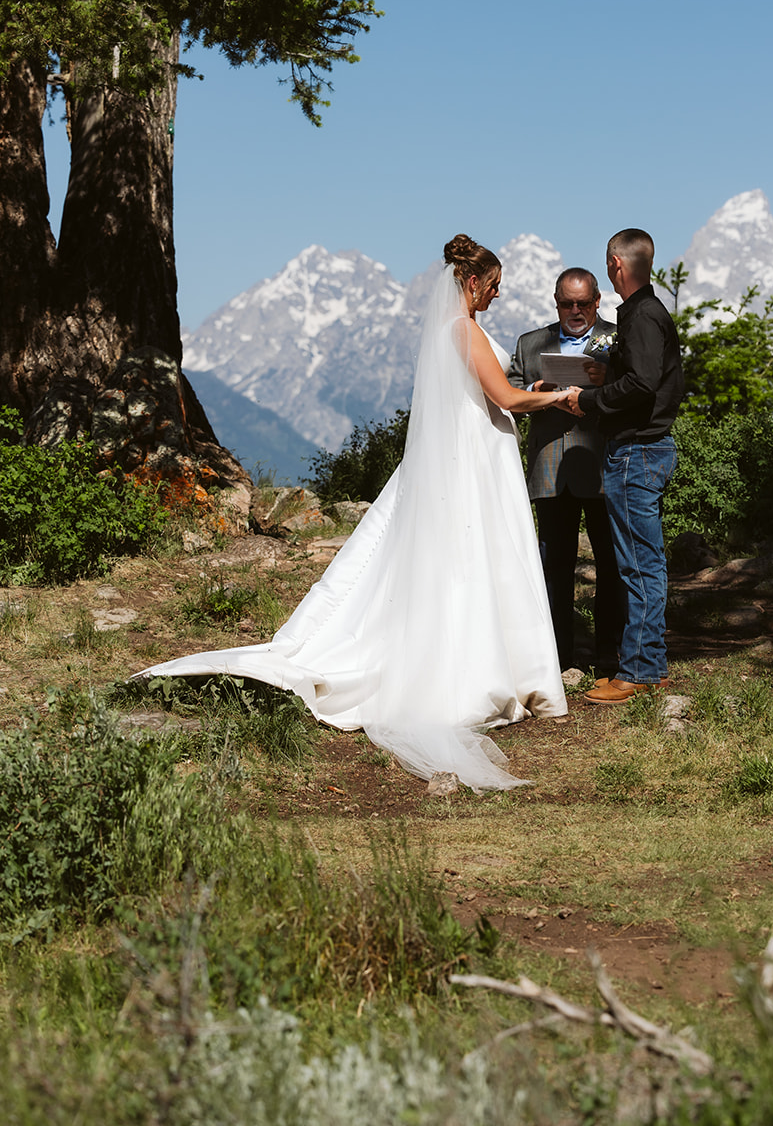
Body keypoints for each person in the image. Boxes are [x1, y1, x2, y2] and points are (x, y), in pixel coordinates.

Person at [136, 235, 573, 790]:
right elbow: (505, 401)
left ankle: (487, 662)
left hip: (467, 456)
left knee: (461, 563)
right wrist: (557, 397)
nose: (496, 294)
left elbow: (489, 391)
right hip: (472, 464)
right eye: (492, 286)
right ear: (470, 283)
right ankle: (479, 672)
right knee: (472, 560)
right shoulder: (463, 329)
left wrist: (531, 387)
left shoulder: (454, 331)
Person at [565, 229, 684, 704]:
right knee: (640, 561)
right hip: (639, 449)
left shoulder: (642, 317)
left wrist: (587, 399)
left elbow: (643, 384)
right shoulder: (643, 314)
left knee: (639, 564)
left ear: (616, 264)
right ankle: (644, 663)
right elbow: (640, 377)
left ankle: (639, 671)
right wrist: (606, 373)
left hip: (637, 451)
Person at [507, 268, 624, 675]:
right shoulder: (530, 343)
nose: (574, 311)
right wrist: (538, 393)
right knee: (554, 566)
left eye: (582, 303)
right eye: (566, 304)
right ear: (555, 302)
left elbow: (637, 390)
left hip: (602, 463)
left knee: (610, 562)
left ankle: (609, 651)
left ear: (597, 302)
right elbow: (509, 394)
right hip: (550, 465)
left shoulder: (617, 337)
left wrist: (606, 379)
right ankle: (557, 656)